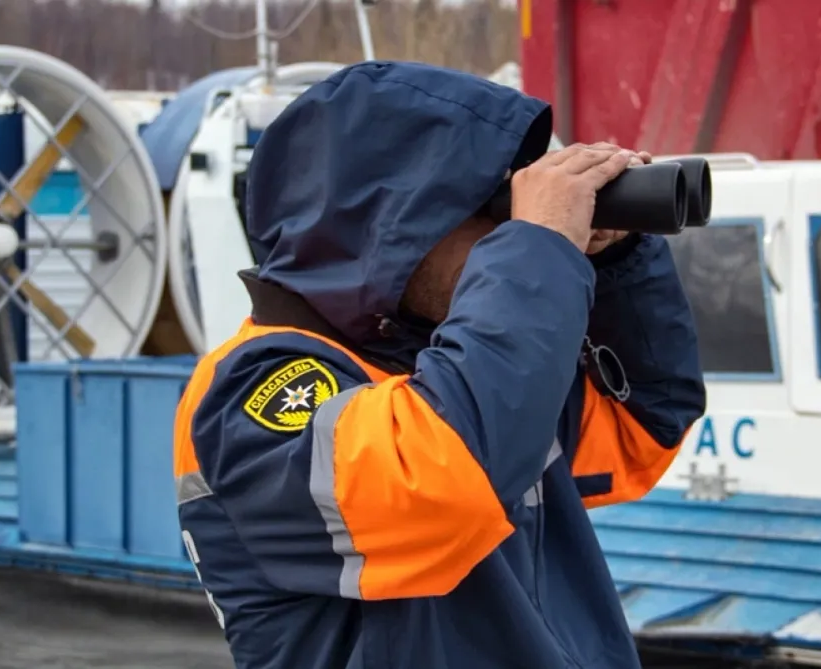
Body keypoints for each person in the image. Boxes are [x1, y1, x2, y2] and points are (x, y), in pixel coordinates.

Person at [172, 61, 705, 669]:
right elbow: (434, 484)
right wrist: (538, 247)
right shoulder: (253, 388)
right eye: (490, 210)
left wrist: (615, 266)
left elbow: (643, 427)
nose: (505, 233)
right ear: (384, 227)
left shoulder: (458, 364)